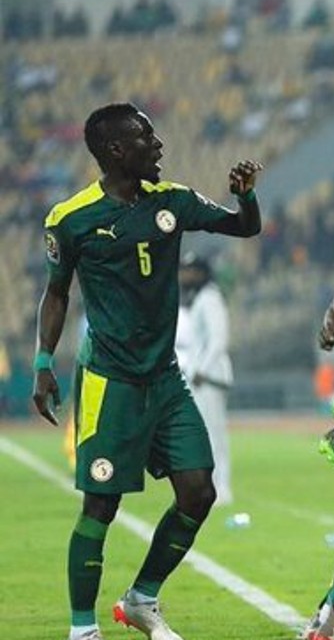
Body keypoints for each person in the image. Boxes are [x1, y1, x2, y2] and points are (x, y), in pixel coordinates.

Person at [33, 103, 262, 640]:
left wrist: (244, 194)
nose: (158, 146)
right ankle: (83, 629)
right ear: (116, 150)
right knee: (101, 504)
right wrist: (44, 362)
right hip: (111, 381)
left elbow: (243, 228)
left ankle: (141, 598)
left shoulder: (173, 202)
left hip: (165, 378)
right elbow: (56, 292)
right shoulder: (70, 219)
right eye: (146, 137)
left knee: (199, 491)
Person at [176, 254, 235, 506]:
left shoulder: (210, 298)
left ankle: (222, 487)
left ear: (201, 273)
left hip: (209, 377)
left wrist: (202, 369)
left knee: (214, 435)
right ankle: (212, 485)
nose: (184, 276)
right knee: (205, 435)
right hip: (202, 376)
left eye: (189, 271)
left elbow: (219, 340)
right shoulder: (200, 298)